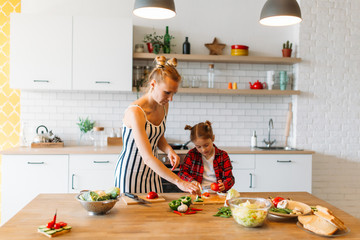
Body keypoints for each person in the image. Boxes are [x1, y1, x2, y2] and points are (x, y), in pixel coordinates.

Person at [114, 56, 200, 195]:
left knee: (154, 215)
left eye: (174, 93)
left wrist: (168, 150)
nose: (170, 98)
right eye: (167, 92)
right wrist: (179, 182)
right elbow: (147, 157)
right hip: (130, 174)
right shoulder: (135, 112)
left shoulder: (164, 106)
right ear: (153, 84)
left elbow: (157, 136)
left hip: (152, 172)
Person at [178, 121, 235, 192]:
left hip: (218, 194)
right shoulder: (191, 154)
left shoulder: (223, 155)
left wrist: (224, 185)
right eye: (198, 147)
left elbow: (230, 178)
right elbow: (182, 173)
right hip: (198, 192)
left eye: (206, 145)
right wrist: (192, 180)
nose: (203, 150)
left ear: (213, 138)